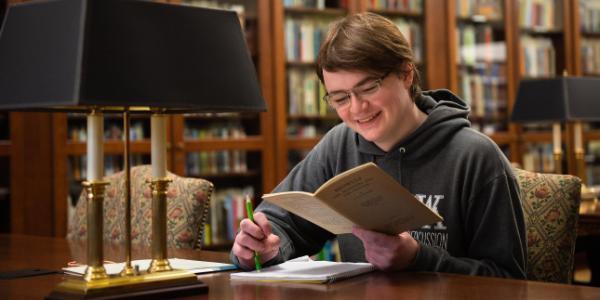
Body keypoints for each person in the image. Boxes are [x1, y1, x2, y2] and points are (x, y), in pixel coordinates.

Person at [231, 12, 526, 278]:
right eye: (341, 98)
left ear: (406, 73)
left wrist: (419, 258)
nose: (357, 109)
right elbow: (282, 224)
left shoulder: (476, 157)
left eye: (369, 88)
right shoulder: (339, 144)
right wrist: (263, 246)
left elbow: (511, 281)